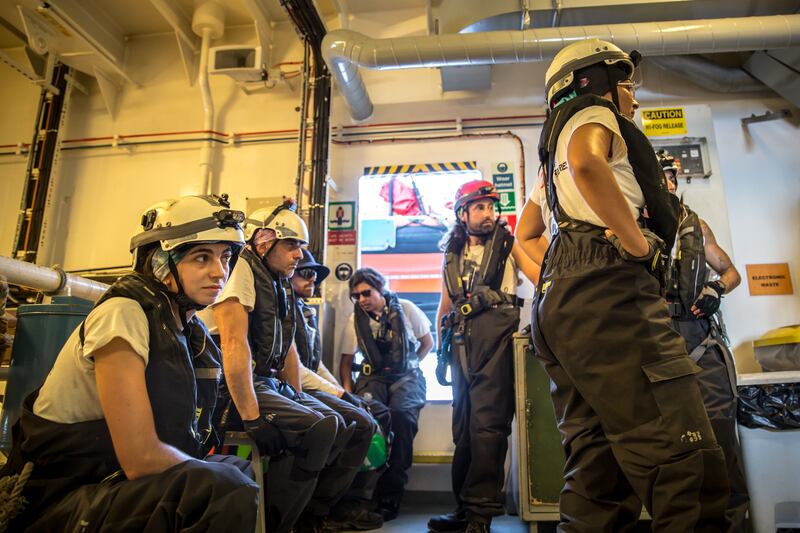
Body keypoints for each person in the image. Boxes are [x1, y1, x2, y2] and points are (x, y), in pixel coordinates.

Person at [515, 39, 731, 531]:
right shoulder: (594, 113)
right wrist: (635, 245)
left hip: (562, 303)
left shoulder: (550, 165)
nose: (634, 97)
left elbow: (524, 236)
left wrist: (558, 278)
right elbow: (588, 163)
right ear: (595, 82)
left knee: (599, 476)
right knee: (686, 466)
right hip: (613, 294)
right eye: (628, 85)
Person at [0, 194, 259, 531]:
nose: (219, 271)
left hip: (108, 480)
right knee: (225, 488)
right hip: (62, 496)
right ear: (161, 261)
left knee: (237, 470)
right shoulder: (123, 314)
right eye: (201, 257)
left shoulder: (185, 329)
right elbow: (140, 458)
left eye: (225, 257)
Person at [204, 200, 365, 533]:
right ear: (264, 242)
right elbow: (233, 345)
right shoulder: (241, 269)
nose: (299, 255)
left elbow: (287, 348)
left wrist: (297, 396)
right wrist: (252, 417)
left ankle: (308, 515)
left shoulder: (277, 282)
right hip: (230, 388)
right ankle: (276, 524)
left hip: (267, 383)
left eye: (300, 246)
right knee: (318, 427)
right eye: (291, 244)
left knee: (342, 421)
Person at [428, 180, 540, 533]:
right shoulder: (452, 254)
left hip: (497, 345)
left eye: (491, 206)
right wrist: (439, 351)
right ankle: (463, 510)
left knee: (488, 429)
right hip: (460, 347)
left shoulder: (509, 245)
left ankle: (481, 516)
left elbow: (541, 278)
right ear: (462, 213)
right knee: (463, 430)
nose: (488, 213)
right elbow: (446, 305)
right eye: (480, 207)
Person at [661, 152, 750, 531]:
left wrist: (717, 288)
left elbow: (731, 272)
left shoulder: (696, 226)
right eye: (660, 177)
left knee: (720, 434)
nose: (667, 183)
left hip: (698, 336)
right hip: (656, 342)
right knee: (667, 443)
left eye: (671, 177)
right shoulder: (631, 226)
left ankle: (731, 522)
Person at [290, 249, 385, 531]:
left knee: (381, 414)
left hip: (313, 386)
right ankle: (320, 509)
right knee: (361, 423)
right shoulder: (282, 311)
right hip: (296, 389)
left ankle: (355, 501)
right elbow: (295, 369)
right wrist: (341, 394)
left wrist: (343, 393)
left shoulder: (304, 312)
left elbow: (315, 364)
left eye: (315, 276)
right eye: (305, 273)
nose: (312, 280)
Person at [339, 267, 433, 521]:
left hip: (407, 377)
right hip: (372, 377)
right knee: (370, 421)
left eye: (366, 293)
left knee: (401, 417)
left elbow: (427, 343)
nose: (362, 299)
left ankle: (392, 495)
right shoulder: (354, 321)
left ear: (380, 289)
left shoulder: (407, 309)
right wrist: (348, 394)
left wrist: (409, 365)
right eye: (356, 296)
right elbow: (346, 363)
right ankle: (365, 496)